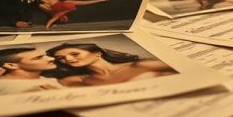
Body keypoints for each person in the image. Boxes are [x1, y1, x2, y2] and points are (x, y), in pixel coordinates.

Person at [46, 42, 175, 86]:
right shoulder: (73, 80)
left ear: (97, 53)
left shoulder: (141, 65)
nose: (67, 59)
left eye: (75, 54)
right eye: (60, 58)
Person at [0, 47, 64, 96]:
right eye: (38, 58)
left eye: (46, 55)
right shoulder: (18, 89)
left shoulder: (34, 79)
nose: (51, 58)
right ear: (11, 65)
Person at [28, 0, 122, 29]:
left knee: (72, 3)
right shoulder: (39, 1)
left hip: (61, 6)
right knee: (70, 5)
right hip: (59, 7)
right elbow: (32, 0)